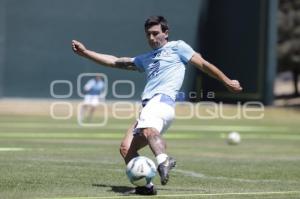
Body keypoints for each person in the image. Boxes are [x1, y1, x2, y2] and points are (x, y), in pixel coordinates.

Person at [72, 16, 242, 195]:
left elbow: (204, 65)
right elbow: (114, 61)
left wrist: (227, 81)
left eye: (156, 33)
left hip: (161, 102)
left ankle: (163, 159)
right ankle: (146, 187)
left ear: (166, 33)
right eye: (148, 35)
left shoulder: (177, 47)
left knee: (149, 131)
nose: (152, 38)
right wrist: (85, 53)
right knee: (125, 148)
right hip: (149, 107)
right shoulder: (145, 58)